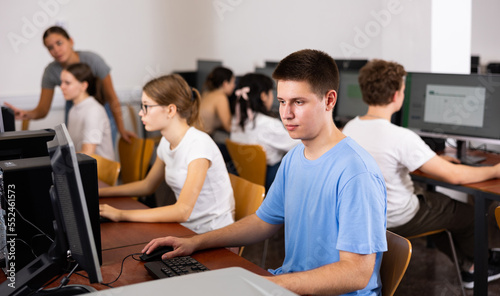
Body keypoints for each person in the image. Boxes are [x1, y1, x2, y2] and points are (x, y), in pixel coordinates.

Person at [142, 49, 388, 295]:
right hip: (290, 284)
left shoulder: (357, 173)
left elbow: (357, 273)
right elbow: (263, 222)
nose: (286, 113)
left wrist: (267, 285)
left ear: (329, 100)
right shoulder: (294, 157)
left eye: (298, 102)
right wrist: (195, 242)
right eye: (282, 102)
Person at [342, 59, 500, 288]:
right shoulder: (400, 137)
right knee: (467, 214)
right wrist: (494, 169)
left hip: (367, 217)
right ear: (396, 95)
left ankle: (467, 264)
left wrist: (430, 160)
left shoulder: (350, 128)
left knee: (439, 210)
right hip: (397, 217)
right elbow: (455, 177)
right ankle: (478, 267)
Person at [99, 74, 235, 234]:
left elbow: (183, 211)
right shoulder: (166, 142)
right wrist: (100, 192)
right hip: (187, 229)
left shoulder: (198, 145)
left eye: (146, 106)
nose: (141, 113)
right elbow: (147, 186)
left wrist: (121, 214)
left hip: (214, 234)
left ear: (171, 110)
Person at [4, 26, 135, 144]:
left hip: (101, 108)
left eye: (59, 43)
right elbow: (42, 109)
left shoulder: (94, 61)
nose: (56, 50)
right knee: (74, 149)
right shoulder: (51, 72)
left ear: (71, 41)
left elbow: (112, 98)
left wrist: (121, 129)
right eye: (50, 48)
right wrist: (26, 114)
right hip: (74, 109)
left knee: (97, 154)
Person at [230, 73, 299, 190]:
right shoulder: (269, 124)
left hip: (245, 181)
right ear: (263, 96)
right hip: (269, 180)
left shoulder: (236, 121)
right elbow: (297, 145)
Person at [61, 63, 114, 160]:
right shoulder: (73, 110)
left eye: (67, 83)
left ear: (83, 86)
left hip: (99, 172)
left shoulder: (93, 111)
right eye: (62, 82)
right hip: (82, 167)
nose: (62, 87)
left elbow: (87, 154)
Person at [197, 66, 235, 136]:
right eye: (232, 82)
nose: (234, 86)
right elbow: (228, 127)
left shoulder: (206, 93)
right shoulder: (221, 97)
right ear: (225, 83)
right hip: (203, 138)